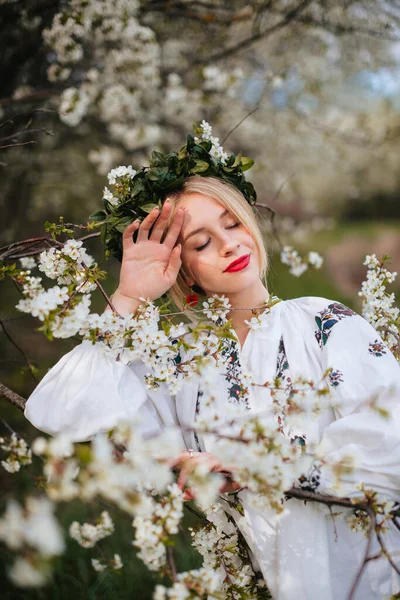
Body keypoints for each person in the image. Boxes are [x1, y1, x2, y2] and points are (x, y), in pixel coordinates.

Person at [24, 151, 400, 598]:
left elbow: (388, 448)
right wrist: (128, 298)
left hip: (362, 576)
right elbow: (59, 410)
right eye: (201, 244)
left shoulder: (324, 325)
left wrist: (261, 467)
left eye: (233, 223)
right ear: (184, 271)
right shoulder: (181, 366)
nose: (228, 244)